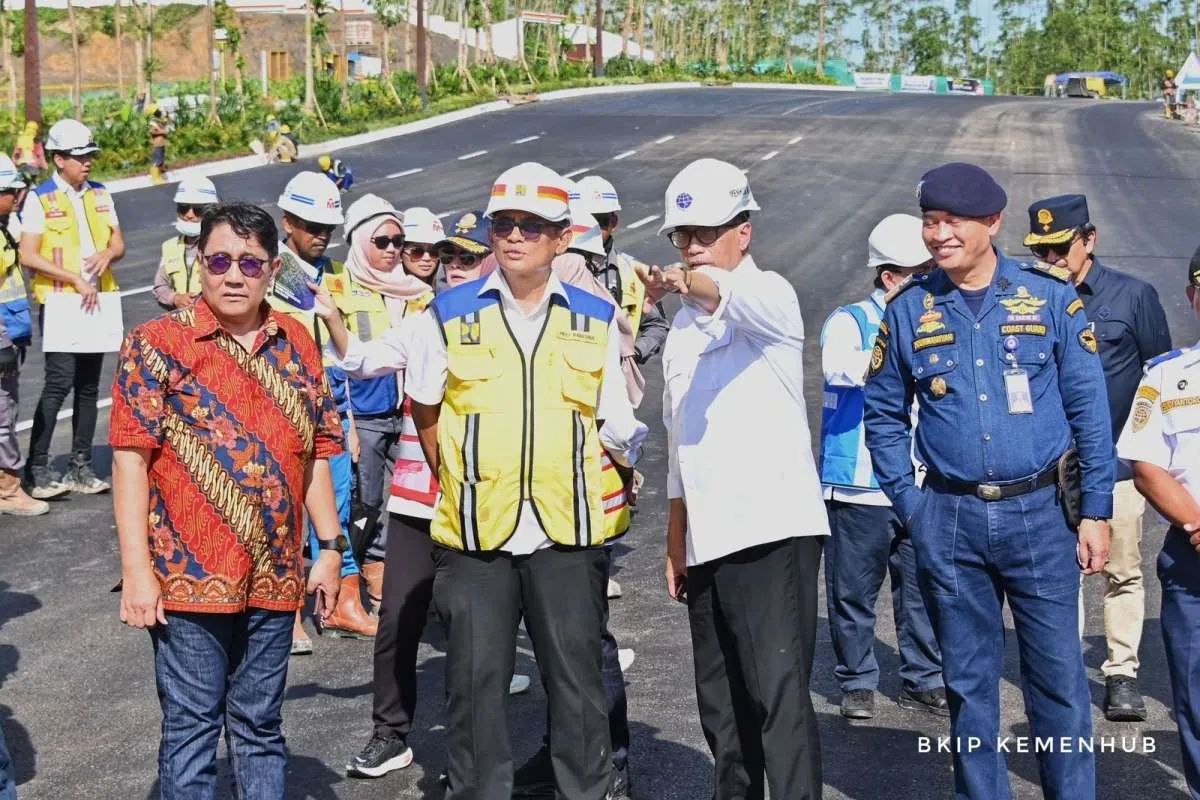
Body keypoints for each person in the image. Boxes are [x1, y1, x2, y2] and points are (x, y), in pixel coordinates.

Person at [864, 163, 1114, 799]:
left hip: (1042, 516)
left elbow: (1090, 410)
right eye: (930, 221)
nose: (938, 235)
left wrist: (1096, 511)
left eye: (952, 222)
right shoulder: (909, 310)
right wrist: (911, 506)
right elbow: (884, 416)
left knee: (1059, 683)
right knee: (969, 690)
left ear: (993, 224)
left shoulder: (1051, 297)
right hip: (950, 520)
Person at [404, 161, 647, 799]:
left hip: (567, 536)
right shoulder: (447, 313)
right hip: (477, 537)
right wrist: (461, 480)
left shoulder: (595, 317)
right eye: (503, 224)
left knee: (577, 690)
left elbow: (618, 423)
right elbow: (426, 410)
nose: (514, 237)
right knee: (474, 690)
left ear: (561, 238)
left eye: (531, 226)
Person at [110, 202, 346, 800]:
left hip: (275, 575)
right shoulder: (155, 345)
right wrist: (138, 572)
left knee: (261, 726)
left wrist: (330, 548)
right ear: (198, 263)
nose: (233, 275)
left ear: (271, 270)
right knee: (191, 732)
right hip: (188, 578)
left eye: (250, 262)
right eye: (219, 260)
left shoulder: (295, 341)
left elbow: (315, 451)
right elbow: (130, 461)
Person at [646, 158, 827, 800]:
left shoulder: (771, 295)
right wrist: (676, 536)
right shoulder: (682, 329)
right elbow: (678, 438)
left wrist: (684, 281)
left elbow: (729, 296)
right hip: (707, 538)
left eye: (706, 231)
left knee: (778, 701)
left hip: (771, 531)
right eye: (682, 236)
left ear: (743, 230)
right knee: (721, 709)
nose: (693, 245)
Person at [1023, 193, 1171, 722]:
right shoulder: (1024, 297)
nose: (1052, 260)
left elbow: (1159, 381)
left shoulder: (1134, 297)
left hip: (1114, 466)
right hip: (1043, 469)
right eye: (1043, 251)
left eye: (1061, 248)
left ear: (1090, 239)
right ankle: (1060, 670)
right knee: (1055, 573)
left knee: (1121, 570)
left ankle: (1122, 672)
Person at [510, 209, 638, 799]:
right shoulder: (511, 290)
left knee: (585, 648)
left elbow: (619, 417)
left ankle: (606, 763)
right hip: (519, 509)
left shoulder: (590, 308)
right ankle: (562, 753)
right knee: (554, 650)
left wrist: (624, 468)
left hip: (580, 505)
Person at [820, 213, 945, 720]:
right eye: (922, 272)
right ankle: (856, 681)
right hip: (858, 484)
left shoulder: (936, 316)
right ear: (890, 276)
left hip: (919, 482)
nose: (933, 280)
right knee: (854, 591)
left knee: (922, 590)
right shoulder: (849, 322)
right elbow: (842, 372)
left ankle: (923, 678)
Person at [270, 171, 372, 647]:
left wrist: (348, 420)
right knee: (288, 511)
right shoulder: (269, 271)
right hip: (282, 403)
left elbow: (340, 354)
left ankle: (341, 603)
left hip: (329, 401)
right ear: (287, 220)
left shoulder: (331, 272)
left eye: (327, 227)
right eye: (311, 225)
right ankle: (285, 613)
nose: (320, 234)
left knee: (340, 504)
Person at [1116, 248, 1200, 800]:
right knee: (1195, 693)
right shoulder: (1167, 377)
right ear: (1194, 296)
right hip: (1194, 556)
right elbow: (1146, 465)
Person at [20, 118, 125, 499]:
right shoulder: (40, 198)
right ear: (59, 158)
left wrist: (108, 253)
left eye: (90, 155)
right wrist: (72, 277)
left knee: (88, 386)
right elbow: (28, 254)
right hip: (63, 302)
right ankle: (38, 468)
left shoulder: (100, 193)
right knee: (58, 383)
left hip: (98, 299)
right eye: (80, 156)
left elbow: (119, 243)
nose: (88, 162)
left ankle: (80, 466)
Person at [0, 154, 51, 516]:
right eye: (11, 191)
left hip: (10, 337)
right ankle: (8, 488)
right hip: (1, 340)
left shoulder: (6, 227)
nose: (19, 196)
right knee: (3, 417)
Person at [575, 175, 670, 368]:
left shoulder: (635, 272)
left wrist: (633, 354)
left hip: (614, 384)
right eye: (585, 220)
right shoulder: (549, 268)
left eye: (599, 221)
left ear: (613, 222)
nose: (591, 229)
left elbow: (657, 326)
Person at [152, 176, 220, 311]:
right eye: (183, 208)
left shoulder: (223, 245)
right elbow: (159, 287)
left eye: (197, 209)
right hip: (182, 324)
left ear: (211, 210)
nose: (189, 214)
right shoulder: (170, 247)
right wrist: (175, 298)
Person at [12, 121, 45, 186]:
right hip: (34, 167)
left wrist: (13, 163)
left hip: (22, 166)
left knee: (22, 186)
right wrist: (44, 166)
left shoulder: (20, 140)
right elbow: (40, 155)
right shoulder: (36, 141)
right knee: (33, 184)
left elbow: (15, 154)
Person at [147, 105, 169, 185]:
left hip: (161, 143)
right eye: (158, 110)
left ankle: (159, 177)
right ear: (155, 112)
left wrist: (167, 115)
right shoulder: (152, 122)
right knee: (157, 161)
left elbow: (164, 125)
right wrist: (162, 132)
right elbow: (152, 132)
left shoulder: (157, 121)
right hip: (157, 144)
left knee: (161, 161)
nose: (160, 111)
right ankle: (155, 178)